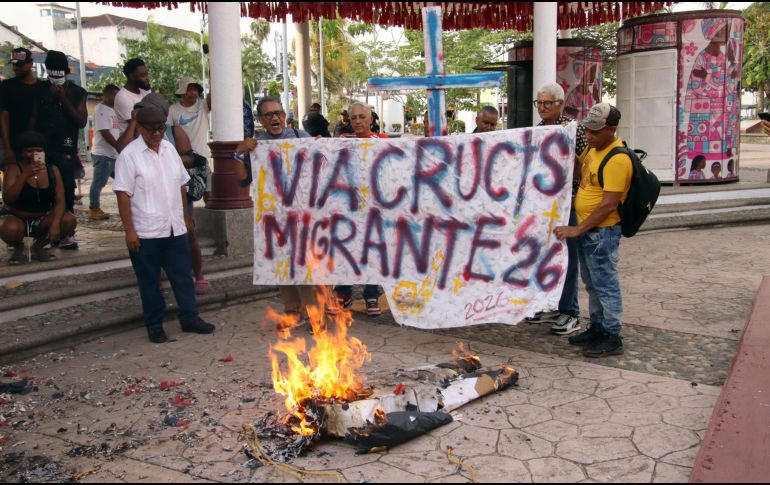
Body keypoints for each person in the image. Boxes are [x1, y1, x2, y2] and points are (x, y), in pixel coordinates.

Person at [113, 95, 215, 343]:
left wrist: (186, 216)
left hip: (174, 227)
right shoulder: (129, 156)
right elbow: (122, 195)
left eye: (160, 128)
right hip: (146, 231)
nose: (157, 133)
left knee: (182, 276)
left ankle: (190, 317)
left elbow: (181, 184)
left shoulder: (169, 149)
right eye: (151, 129)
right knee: (149, 282)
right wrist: (129, 231)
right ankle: (155, 325)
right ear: (139, 128)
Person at [232, 96, 321, 326]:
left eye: (278, 113)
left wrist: (322, 146)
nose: (274, 118)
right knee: (281, 265)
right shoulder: (257, 146)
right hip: (274, 219)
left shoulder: (302, 137)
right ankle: (293, 312)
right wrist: (238, 154)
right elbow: (243, 182)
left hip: (303, 216)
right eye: (268, 114)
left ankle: (315, 316)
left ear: (284, 115)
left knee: (304, 267)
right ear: (261, 119)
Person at [554, 103, 632, 358]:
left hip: (603, 233)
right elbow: (579, 172)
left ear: (612, 129)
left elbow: (608, 204)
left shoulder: (617, 158)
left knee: (606, 284)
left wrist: (578, 229)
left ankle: (612, 334)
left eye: (595, 132)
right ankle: (597, 326)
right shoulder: (593, 148)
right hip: (590, 230)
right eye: (587, 130)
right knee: (591, 283)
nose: (589, 136)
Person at [527, 83, 589, 336]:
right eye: (538, 103)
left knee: (569, 257)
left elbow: (586, 165)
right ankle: (551, 304)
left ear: (560, 103)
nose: (542, 108)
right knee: (547, 254)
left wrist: (564, 163)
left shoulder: (575, 130)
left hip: (570, 203)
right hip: (546, 204)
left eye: (547, 103)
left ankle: (570, 311)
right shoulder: (540, 130)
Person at [334, 102, 388, 317]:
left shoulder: (383, 141)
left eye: (361, 117)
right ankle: (343, 292)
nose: (357, 121)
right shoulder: (339, 142)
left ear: (370, 119)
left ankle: (371, 293)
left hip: (376, 208)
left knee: (373, 250)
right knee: (346, 248)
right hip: (347, 207)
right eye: (353, 117)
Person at [36, 50, 87, 250]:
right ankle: (43, 232)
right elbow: (33, 117)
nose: (56, 77)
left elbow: (81, 121)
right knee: (41, 187)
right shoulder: (40, 89)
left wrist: (63, 98)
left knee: (66, 189)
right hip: (41, 148)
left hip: (65, 149)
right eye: (52, 72)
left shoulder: (77, 92)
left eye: (59, 72)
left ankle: (67, 233)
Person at [0, 131, 76, 264]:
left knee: (68, 220)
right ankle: (19, 248)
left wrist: (56, 223)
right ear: (22, 152)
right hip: (17, 216)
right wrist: (25, 175)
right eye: (30, 151)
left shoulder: (52, 170)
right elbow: (8, 198)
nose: (34, 154)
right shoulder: (14, 168)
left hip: (41, 218)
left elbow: (60, 200)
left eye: (38, 150)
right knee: (9, 229)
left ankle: (38, 247)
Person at [0, 48, 45, 170]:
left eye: (19, 65)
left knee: (38, 177)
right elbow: (3, 116)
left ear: (30, 64)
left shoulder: (42, 87)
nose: (16, 68)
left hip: (37, 145)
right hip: (13, 145)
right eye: (14, 64)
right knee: (13, 178)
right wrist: (6, 148)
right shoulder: (7, 86)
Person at [169, 77, 212, 201]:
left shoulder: (203, 105)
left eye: (195, 89)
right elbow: (168, 134)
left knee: (209, 193)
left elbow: (213, 94)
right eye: (190, 89)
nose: (193, 92)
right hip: (183, 160)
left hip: (202, 158)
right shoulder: (173, 110)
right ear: (182, 92)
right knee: (185, 196)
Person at [89, 84, 121, 221]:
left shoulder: (111, 110)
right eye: (115, 95)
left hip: (112, 154)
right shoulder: (101, 110)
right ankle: (94, 208)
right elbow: (105, 132)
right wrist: (118, 146)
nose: (117, 99)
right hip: (103, 154)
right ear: (107, 95)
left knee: (123, 179)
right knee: (99, 182)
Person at [114, 58, 151, 136]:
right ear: (132, 76)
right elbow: (138, 125)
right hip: (132, 145)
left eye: (147, 74)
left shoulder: (145, 92)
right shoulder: (122, 97)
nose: (147, 78)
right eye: (143, 75)